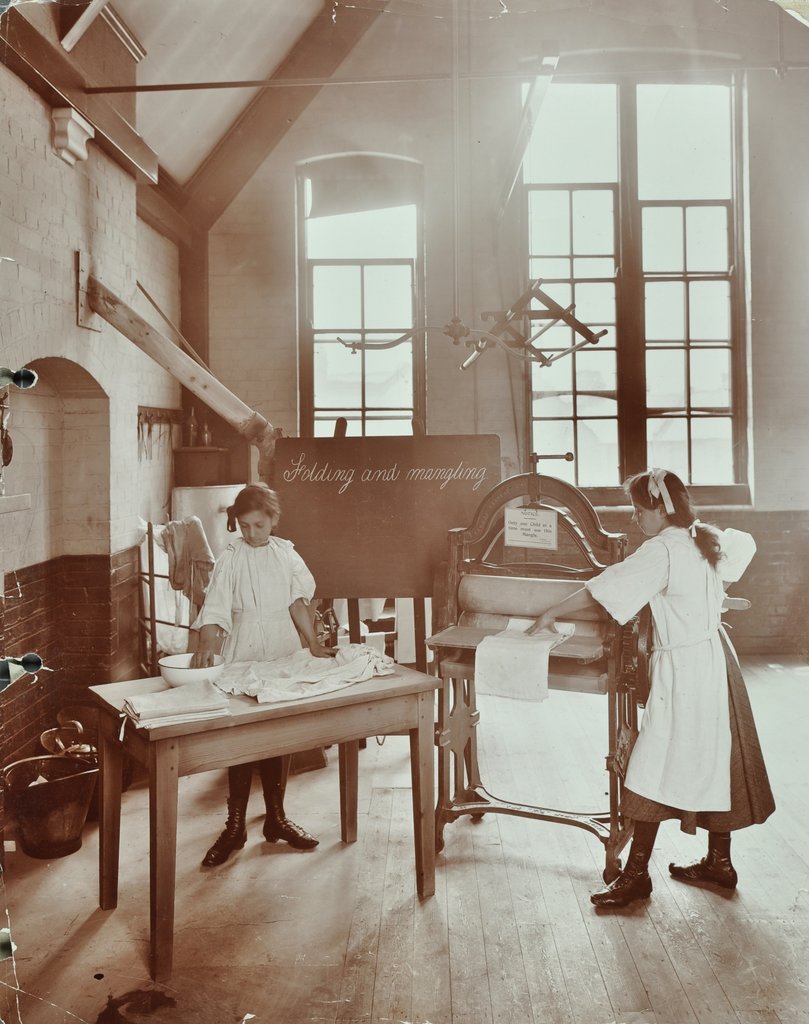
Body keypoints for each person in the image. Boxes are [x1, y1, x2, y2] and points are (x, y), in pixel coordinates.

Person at [528, 468, 775, 908]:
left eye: (639, 509)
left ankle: (637, 875)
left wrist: (551, 612)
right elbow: (741, 549)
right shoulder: (702, 537)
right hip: (716, 660)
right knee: (717, 757)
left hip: (684, 670)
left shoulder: (661, 550)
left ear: (661, 509)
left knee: (650, 766)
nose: (635, 517)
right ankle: (719, 863)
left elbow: (603, 589)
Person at [190, 484, 334, 867]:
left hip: (281, 647)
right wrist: (206, 645)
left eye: (259, 525)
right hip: (243, 648)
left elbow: (298, 603)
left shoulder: (286, 554)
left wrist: (312, 643)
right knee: (242, 736)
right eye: (244, 526)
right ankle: (235, 827)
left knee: (277, 732)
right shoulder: (231, 557)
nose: (251, 533)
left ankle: (276, 818)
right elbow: (216, 608)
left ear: (273, 519)